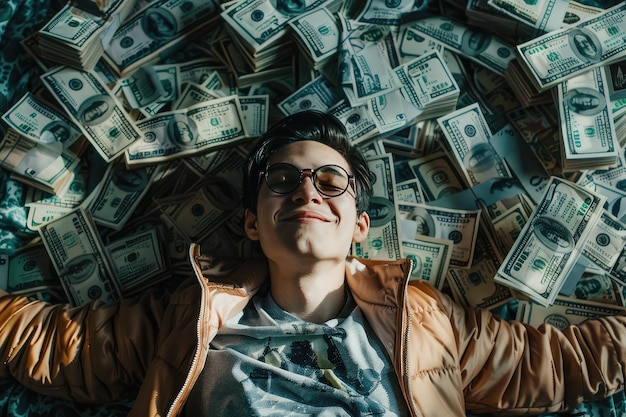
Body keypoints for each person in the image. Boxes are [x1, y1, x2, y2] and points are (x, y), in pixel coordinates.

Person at [1, 110, 626, 417]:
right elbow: (50, 343)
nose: (307, 193)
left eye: (331, 180)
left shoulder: (429, 318)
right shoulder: (184, 320)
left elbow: (557, 363)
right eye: (284, 180)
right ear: (251, 221)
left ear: (359, 226)